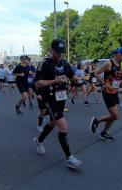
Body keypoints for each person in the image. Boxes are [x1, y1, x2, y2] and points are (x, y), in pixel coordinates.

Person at [33, 39, 82, 169]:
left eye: (62, 52)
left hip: (61, 97)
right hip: (48, 98)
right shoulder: (44, 63)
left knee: (53, 122)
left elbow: (72, 76)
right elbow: (38, 83)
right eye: (57, 52)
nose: (60, 54)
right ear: (51, 50)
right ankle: (70, 158)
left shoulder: (65, 63)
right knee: (63, 126)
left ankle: (39, 140)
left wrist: (79, 80)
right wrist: (54, 81)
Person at [89, 47, 122, 141]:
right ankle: (96, 121)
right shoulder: (109, 63)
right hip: (107, 92)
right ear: (117, 54)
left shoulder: (120, 64)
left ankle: (103, 133)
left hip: (115, 92)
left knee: (113, 116)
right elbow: (96, 73)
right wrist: (104, 84)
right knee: (116, 115)